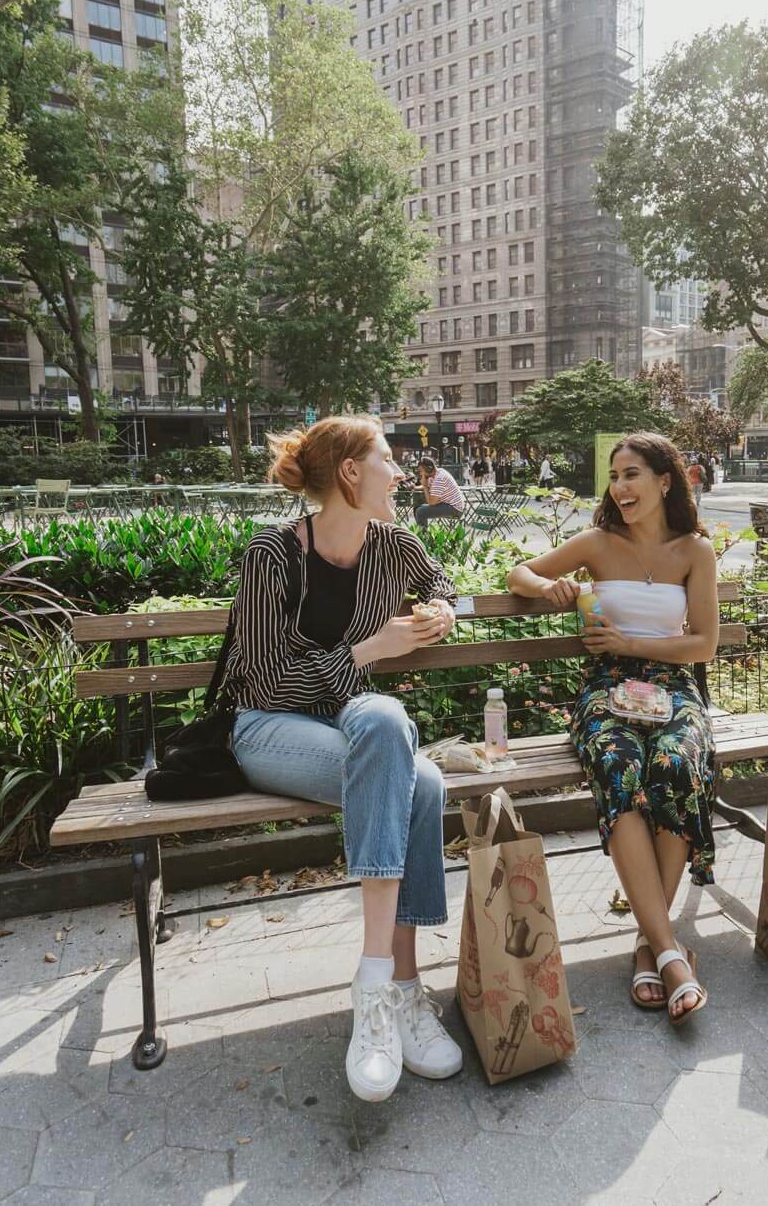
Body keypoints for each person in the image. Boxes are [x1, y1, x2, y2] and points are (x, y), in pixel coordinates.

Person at [225, 416, 463, 1102]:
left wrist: (443, 611)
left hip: (351, 723)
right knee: (419, 781)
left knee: (392, 731)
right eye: (388, 459)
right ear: (352, 473)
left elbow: (442, 582)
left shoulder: (395, 544)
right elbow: (266, 683)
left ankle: (386, 988)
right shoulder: (270, 555)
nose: (401, 472)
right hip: (269, 730)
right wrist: (366, 651)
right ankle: (394, 989)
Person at [505, 433, 717, 1026]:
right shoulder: (597, 542)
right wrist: (549, 586)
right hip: (607, 687)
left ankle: (653, 946)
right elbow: (517, 569)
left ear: (665, 481)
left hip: (674, 686)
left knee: (677, 764)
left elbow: (703, 642)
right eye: (615, 477)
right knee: (620, 766)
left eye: (632, 475)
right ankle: (669, 953)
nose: (620, 488)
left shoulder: (694, 551)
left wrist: (634, 641)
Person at [412, 456, 467, 523]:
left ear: (428, 469)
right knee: (416, 508)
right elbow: (429, 485)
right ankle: (419, 531)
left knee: (421, 512)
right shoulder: (437, 473)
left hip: (454, 509)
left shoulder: (439, 479)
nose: (420, 473)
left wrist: (425, 486)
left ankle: (423, 533)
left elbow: (431, 503)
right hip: (448, 505)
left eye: (421, 471)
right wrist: (414, 487)